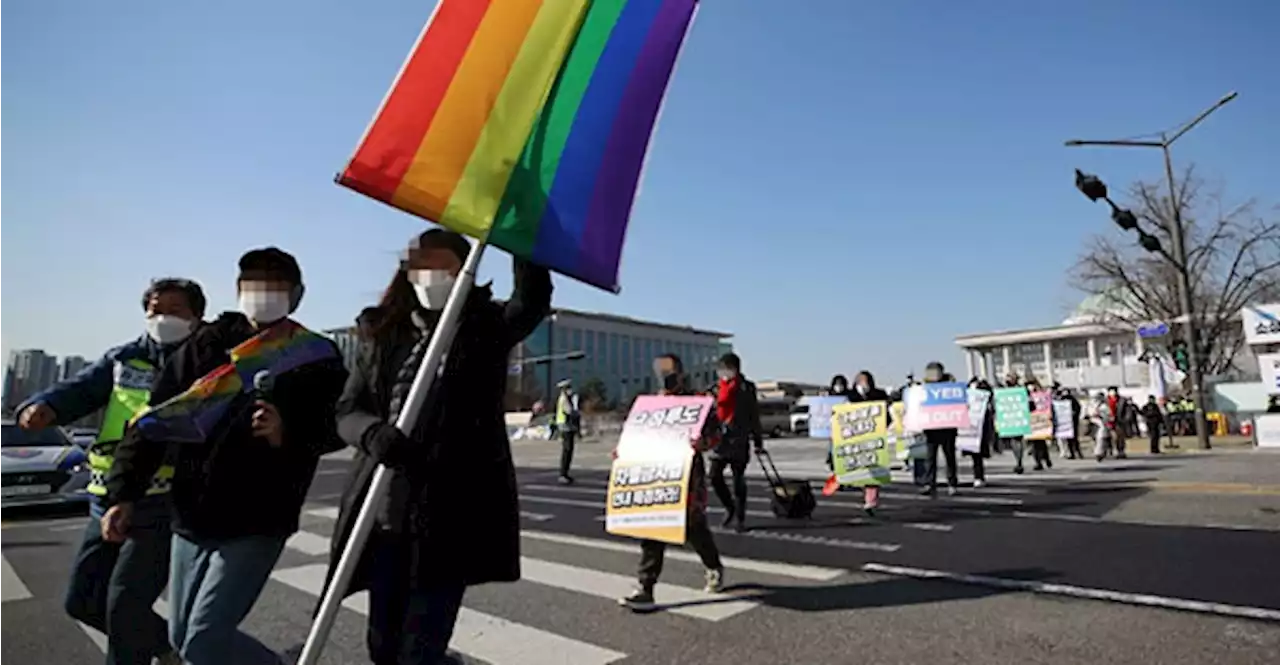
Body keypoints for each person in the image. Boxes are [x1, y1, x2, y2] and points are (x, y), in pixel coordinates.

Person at [103, 248, 347, 665]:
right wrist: (124, 493)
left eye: (276, 284)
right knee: (182, 639)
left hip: (259, 517)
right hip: (193, 513)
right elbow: (156, 421)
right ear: (238, 290)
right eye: (253, 283)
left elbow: (335, 426)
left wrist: (286, 433)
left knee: (204, 641)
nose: (263, 292)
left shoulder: (315, 355)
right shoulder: (206, 344)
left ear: (297, 294)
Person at [324, 229, 551, 665]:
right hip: (385, 513)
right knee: (383, 648)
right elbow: (348, 409)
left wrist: (519, 237)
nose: (433, 275)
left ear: (465, 271)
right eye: (424, 264)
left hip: (451, 516)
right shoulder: (382, 333)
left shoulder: (487, 327)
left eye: (446, 265)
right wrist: (373, 434)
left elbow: (532, 299)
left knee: (419, 652)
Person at [17, 278, 205, 665]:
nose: (162, 317)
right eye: (155, 309)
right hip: (105, 499)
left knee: (125, 607)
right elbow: (79, 389)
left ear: (197, 317)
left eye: (175, 310)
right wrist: (42, 406)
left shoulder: (204, 362)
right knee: (83, 601)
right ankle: (166, 647)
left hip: (161, 503)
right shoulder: (123, 359)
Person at [620, 353, 726, 609]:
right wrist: (624, 452)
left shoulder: (698, 402)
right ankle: (646, 586)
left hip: (688, 477)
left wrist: (704, 443)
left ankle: (713, 565)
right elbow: (636, 436)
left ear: (680, 373)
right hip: (658, 476)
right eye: (660, 372)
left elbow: (716, 433)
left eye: (669, 372)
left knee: (694, 528)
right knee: (653, 528)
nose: (665, 378)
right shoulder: (650, 406)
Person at [707, 352, 764, 532]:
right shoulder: (715, 389)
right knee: (714, 476)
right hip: (719, 440)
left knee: (738, 479)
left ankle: (740, 517)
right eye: (721, 369)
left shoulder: (747, 388)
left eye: (727, 368)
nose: (723, 372)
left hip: (739, 438)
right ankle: (729, 506)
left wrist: (758, 440)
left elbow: (753, 415)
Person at [919, 361, 960, 496]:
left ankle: (952, 483)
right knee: (930, 459)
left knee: (949, 457)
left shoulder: (950, 386)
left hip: (947, 428)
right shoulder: (923, 388)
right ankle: (930, 483)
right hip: (931, 429)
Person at [555, 379, 582, 485]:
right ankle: (563, 474)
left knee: (568, 450)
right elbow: (570, 412)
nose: (570, 390)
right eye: (568, 388)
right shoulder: (564, 399)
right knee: (567, 451)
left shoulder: (565, 398)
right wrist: (576, 408)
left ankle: (565, 474)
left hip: (566, 426)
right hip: (565, 426)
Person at [1088, 392, 1112, 461]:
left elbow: (1108, 414)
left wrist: (1101, 415)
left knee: (1101, 439)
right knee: (1094, 439)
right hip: (1093, 423)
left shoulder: (1104, 406)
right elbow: (1089, 413)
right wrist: (1092, 414)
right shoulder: (1092, 405)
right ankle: (1097, 452)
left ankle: (1099, 453)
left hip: (1101, 424)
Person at [1106, 386, 1127, 459]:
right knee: (1111, 436)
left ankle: (1121, 450)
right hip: (1108, 421)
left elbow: (1127, 411)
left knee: (1120, 437)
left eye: (1114, 391)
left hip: (1119, 421)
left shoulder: (1122, 400)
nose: (1112, 393)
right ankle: (1111, 450)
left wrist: (1125, 419)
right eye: (1111, 391)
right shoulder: (1106, 401)